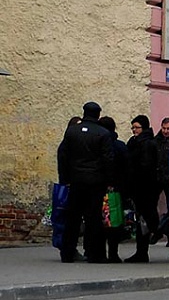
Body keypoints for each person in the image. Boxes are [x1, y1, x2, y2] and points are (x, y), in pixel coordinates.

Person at [57, 102, 114, 263]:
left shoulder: (72, 131)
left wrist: (64, 178)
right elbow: (108, 159)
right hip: (96, 181)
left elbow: (63, 156)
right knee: (93, 218)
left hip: (75, 180)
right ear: (98, 114)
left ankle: (67, 252)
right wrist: (109, 180)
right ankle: (94, 253)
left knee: (72, 217)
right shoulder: (103, 133)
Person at [124, 115, 160, 263]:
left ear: (143, 127)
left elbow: (145, 167)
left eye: (137, 127)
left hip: (145, 187)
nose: (134, 130)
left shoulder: (147, 143)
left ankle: (143, 250)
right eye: (133, 127)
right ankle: (141, 250)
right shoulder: (134, 142)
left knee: (144, 219)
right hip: (138, 187)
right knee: (140, 219)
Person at [97, 116, 128, 263]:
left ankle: (99, 253)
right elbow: (126, 167)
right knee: (114, 221)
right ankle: (113, 253)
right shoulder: (120, 146)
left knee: (99, 221)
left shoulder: (96, 144)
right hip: (115, 189)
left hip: (98, 188)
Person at [150, 117, 169, 245]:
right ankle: (157, 230)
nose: (166, 131)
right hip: (157, 177)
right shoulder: (156, 141)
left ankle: (164, 232)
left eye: (168, 129)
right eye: (164, 128)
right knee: (152, 207)